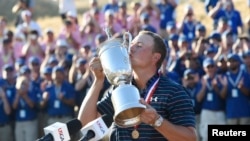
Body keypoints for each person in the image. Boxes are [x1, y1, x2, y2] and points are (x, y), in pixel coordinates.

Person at [78, 31, 197, 140]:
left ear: (155, 57)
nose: (131, 48)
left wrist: (157, 121)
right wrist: (98, 81)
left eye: (139, 45)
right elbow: (84, 124)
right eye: (131, 44)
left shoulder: (174, 91)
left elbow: (191, 138)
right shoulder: (118, 90)